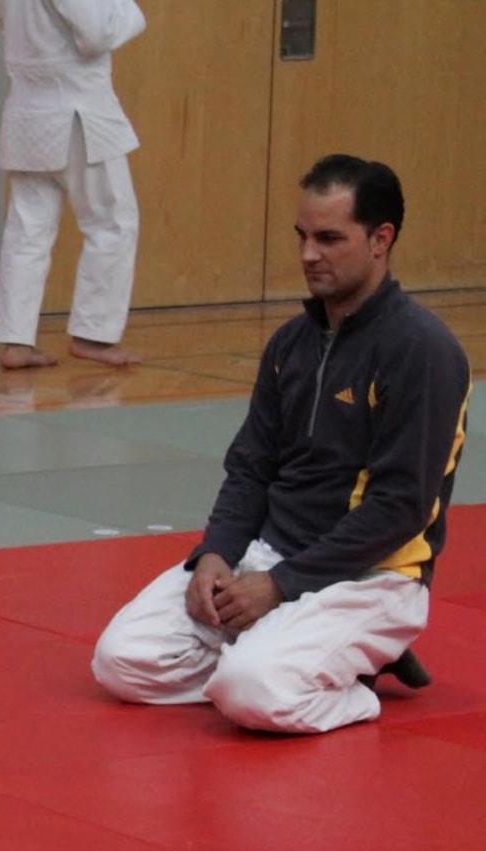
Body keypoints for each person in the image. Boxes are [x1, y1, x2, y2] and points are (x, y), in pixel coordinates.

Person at [92, 155, 472, 734]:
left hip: (370, 576)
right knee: (121, 662)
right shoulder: (290, 344)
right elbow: (251, 467)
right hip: (267, 556)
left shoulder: (422, 351)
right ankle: (294, 655)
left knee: (252, 692)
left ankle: (355, 679)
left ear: (381, 239)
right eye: (302, 237)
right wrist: (216, 554)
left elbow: (399, 508)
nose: (308, 255)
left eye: (329, 239)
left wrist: (281, 586)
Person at [0, 0, 145, 371]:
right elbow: (96, 35)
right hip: (78, 110)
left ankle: (16, 341)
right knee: (112, 222)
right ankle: (94, 335)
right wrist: (130, 11)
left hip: (28, 112)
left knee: (27, 233)